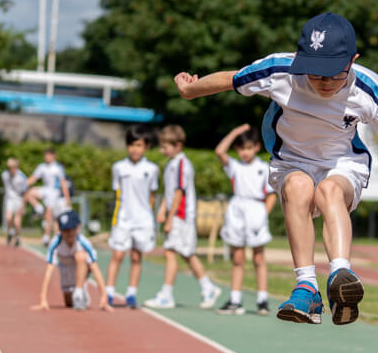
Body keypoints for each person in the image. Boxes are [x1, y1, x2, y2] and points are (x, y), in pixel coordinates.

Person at [173, 12, 378, 325]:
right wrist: (189, 90)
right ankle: (306, 285)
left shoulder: (369, 89)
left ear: (352, 60)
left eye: (334, 74)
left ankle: (340, 275)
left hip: (342, 162)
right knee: (298, 188)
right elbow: (230, 79)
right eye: (316, 74)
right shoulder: (280, 70)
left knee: (330, 192)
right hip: (291, 159)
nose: (324, 83)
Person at [144, 125, 221, 310]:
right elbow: (169, 193)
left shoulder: (181, 164)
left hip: (182, 216)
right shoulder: (171, 163)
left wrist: (170, 219)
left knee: (171, 252)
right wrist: (162, 210)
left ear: (178, 145)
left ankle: (166, 295)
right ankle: (208, 287)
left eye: (165, 147)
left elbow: (179, 193)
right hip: (176, 215)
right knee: (186, 254)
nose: (162, 150)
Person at [214, 123, 278, 315]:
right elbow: (219, 151)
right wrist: (235, 131)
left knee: (258, 257)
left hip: (256, 210)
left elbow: (271, 195)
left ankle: (262, 300)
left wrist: (262, 215)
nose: (245, 152)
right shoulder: (234, 166)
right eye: (241, 148)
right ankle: (235, 299)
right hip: (237, 210)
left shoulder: (264, 167)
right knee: (238, 258)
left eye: (249, 148)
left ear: (257, 147)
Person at [105, 125, 159, 308]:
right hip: (123, 218)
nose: (135, 149)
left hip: (142, 220)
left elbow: (152, 195)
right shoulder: (118, 167)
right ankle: (109, 292)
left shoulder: (151, 169)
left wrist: (149, 215)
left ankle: (131, 294)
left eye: (139, 145)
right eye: (131, 145)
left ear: (146, 147)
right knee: (117, 255)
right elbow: (118, 193)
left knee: (136, 257)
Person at [33, 210, 111, 311]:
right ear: (60, 231)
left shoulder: (83, 242)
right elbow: (49, 270)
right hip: (65, 270)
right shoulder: (55, 243)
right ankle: (79, 293)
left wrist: (104, 296)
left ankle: (79, 291)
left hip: (81, 269)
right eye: (66, 230)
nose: (69, 233)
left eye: (72, 229)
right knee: (69, 303)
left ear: (78, 227)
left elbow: (95, 268)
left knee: (81, 255)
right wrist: (43, 299)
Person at [26, 148, 71, 245]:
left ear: (54, 156)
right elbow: (33, 178)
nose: (46, 157)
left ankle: (46, 236)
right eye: (45, 155)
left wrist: (67, 198)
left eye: (48, 155)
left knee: (49, 215)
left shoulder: (58, 168)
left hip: (54, 192)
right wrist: (22, 184)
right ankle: (38, 208)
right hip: (46, 189)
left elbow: (63, 183)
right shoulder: (41, 167)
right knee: (28, 193)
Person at [1, 157, 29, 247]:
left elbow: (25, 192)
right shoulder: (4, 175)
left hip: (19, 199)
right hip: (9, 198)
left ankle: (18, 237)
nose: (11, 170)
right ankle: (10, 232)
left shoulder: (21, 177)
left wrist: (23, 205)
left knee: (17, 221)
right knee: (8, 218)